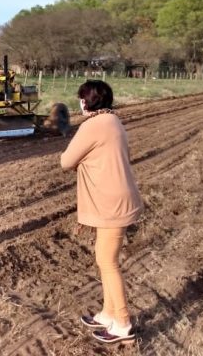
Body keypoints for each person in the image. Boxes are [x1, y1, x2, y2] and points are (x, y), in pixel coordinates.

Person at [59, 79, 143, 344]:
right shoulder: (113, 120)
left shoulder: (92, 125)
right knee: (104, 258)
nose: (79, 102)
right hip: (117, 199)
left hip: (111, 203)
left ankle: (122, 324)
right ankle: (107, 313)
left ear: (88, 101)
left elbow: (66, 161)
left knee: (108, 263)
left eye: (81, 98)